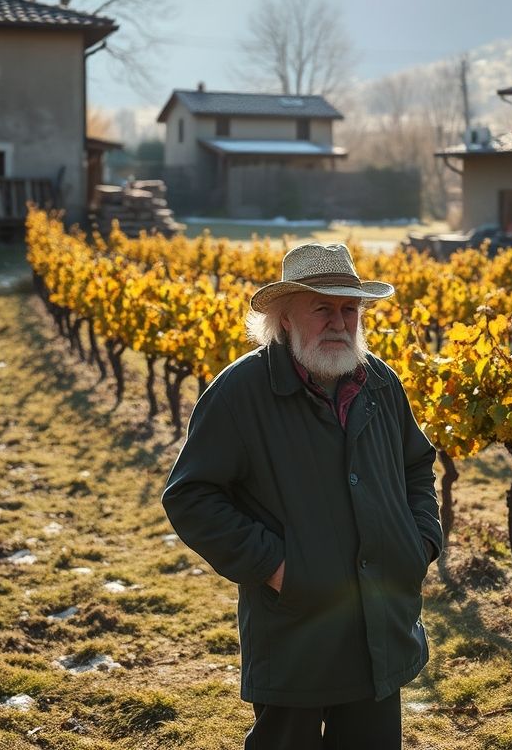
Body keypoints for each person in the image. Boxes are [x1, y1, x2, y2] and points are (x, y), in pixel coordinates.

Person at [161, 242, 442, 750]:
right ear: (285, 318)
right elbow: (191, 495)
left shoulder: (380, 382)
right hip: (295, 629)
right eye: (322, 308)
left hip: (381, 621)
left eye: (349, 308)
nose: (339, 321)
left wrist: (419, 544)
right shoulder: (240, 393)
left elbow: (417, 466)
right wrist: (276, 568)